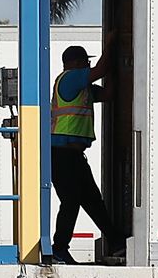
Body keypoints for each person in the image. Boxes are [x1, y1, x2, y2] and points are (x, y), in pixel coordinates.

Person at [50, 45, 118, 264]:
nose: (88, 66)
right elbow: (100, 70)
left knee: (92, 200)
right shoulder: (70, 78)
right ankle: (59, 249)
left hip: (75, 156)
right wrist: (112, 43)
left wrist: (119, 70)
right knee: (70, 202)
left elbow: (108, 94)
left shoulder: (84, 88)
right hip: (62, 153)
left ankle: (117, 243)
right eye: (85, 62)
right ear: (75, 63)